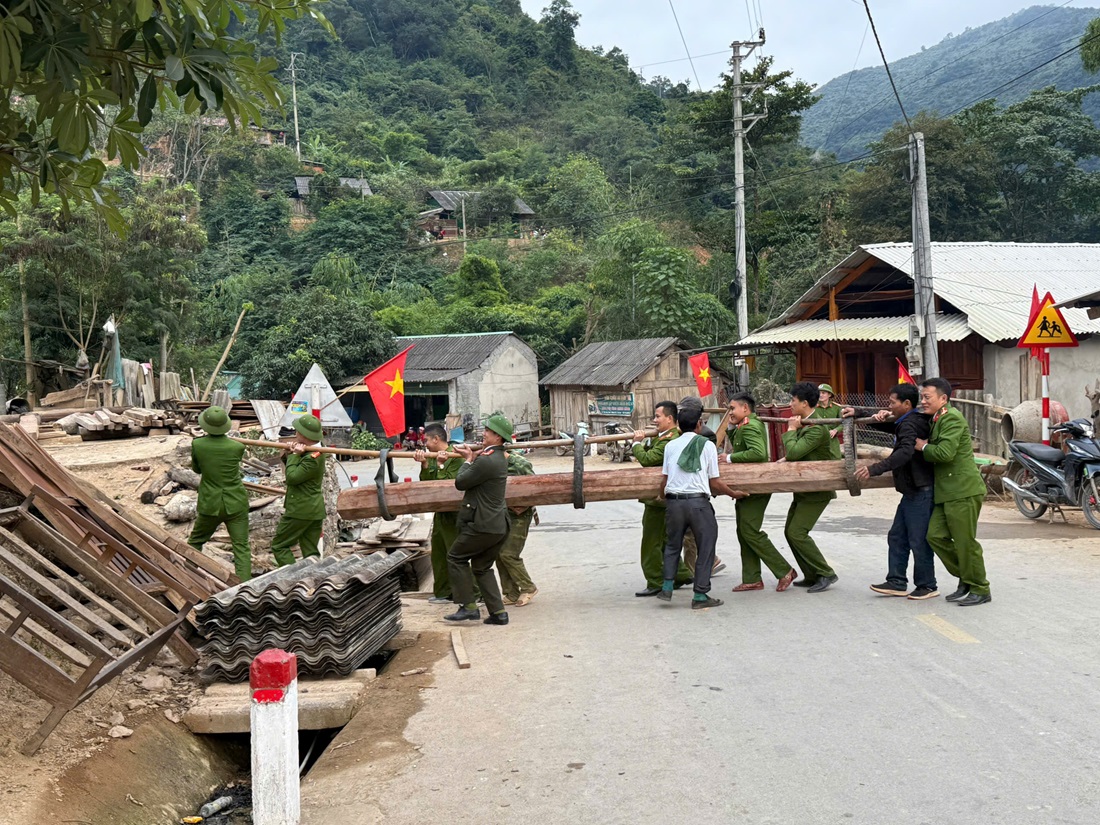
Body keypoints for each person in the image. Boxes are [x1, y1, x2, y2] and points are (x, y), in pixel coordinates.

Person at [842, 383, 939, 599]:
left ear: (906, 404)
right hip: (912, 492)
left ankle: (927, 585)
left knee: (918, 540)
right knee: (897, 536)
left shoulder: (910, 424)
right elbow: (892, 427)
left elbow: (904, 452)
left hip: (921, 492)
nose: (889, 406)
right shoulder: (910, 421)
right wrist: (860, 412)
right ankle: (896, 581)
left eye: (892, 402)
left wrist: (874, 469)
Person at [657, 404, 746, 609]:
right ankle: (700, 596)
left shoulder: (671, 446)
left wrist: (663, 497)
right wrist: (734, 493)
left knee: (672, 545)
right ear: (699, 424)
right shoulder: (707, 446)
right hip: (698, 503)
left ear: (678, 425)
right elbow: (714, 482)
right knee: (705, 548)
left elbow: (665, 479)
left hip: (674, 503)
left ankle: (667, 587)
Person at [915, 377, 991, 606]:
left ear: (943, 398)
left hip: (963, 490)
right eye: (922, 397)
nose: (923, 401)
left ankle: (980, 587)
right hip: (947, 492)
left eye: (927, 397)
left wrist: (924, 446)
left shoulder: (952, 419)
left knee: (965, 542)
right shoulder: (937, 418)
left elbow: (945, 454)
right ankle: (967, 578)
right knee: (935, 536)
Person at [444, 414, 513, 626]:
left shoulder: (488, 460)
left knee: (456, 557)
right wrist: (473, 457)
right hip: (498, 524)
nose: (484, 434)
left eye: (488, 432)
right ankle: (498, 613)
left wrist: (467, 460)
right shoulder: (497, 457)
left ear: (498, 438)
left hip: (483, 524)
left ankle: (469, 607)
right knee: (482, 567)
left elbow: (461, 482)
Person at [725, 392, 797, 593]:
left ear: (745, 409)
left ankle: (784, 570)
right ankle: (752, 578)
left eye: (732, 408)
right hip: (748, 484)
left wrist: (729, 458)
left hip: (756, 485)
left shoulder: (750, 425)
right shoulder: (744, 425)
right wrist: (731, 427)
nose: (730, 412)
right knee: (743, 531)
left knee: (750, 530)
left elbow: (757, 453)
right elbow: (741, 443)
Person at [781, 382, 842, 592]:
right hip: (803, 487)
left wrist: (790, 430)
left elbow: (794, 453)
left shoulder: (816, 428)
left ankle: (825, 573)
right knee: (789, 532)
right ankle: (811, 574)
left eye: (793, 401)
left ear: (804, 403)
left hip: (817, 489)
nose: (790, 404)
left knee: (797, 532)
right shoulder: (805, 423)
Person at [631, 402, 694, 596]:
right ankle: (681, 573)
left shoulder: (670, 439)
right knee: (668, 539)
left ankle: (655, 580)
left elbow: (649, 459)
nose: (654, 420)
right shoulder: (667, 437)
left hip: (659, 499)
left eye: (658, 416)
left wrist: (636, 444)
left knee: (651, 542)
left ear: (670, 419)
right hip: (668, 499)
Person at [188, 406, 251, 581]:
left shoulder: (198, 445)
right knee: (241, 548)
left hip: (211, 503)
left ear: (205, 426)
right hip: (236, 501)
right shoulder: (237, 447)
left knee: (195, 542)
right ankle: (244, 589)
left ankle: (188, 580)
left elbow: (197, 469)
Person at [415, 424, 465, 605]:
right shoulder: (434, 456)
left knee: (456, 555)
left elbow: (449, 486)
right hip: (441, 513)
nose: (425, 444)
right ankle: (443, 592)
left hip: (456, 513)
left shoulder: (456, 456)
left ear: (436, 439)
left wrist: (441, 465)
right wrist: (425, 464)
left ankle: (466, 594)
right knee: (438, 553)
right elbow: (428, 485)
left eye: (427, 440)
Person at [271, 414, 327, 567]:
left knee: (279, 546)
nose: (295, 433)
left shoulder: (313, 457)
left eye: (297, 431)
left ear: (303, 434)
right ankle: (313, 576)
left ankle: (295, 577)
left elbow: (292, 477)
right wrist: (290, 453)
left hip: (301, 509)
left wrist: (295, 455)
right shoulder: (311, 452)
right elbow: (293, 467)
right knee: (310, 550)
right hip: (313, 509)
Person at [677, 396, 725, 577]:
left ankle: (692, 573)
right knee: (691, 534)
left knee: (691, 536)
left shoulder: (705, 435)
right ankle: (710, 561)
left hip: (695, 490)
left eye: (683, 411)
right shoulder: (681, 431)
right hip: (685, 491)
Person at [496, 450, 539, 607]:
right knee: (498, 554)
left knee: (508, 554)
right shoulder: (490, 464)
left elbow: (536, 487)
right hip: (502, 514)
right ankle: (511, 592)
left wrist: (522, 504)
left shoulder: (519, 464)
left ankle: (528, 587)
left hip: (520, 514)